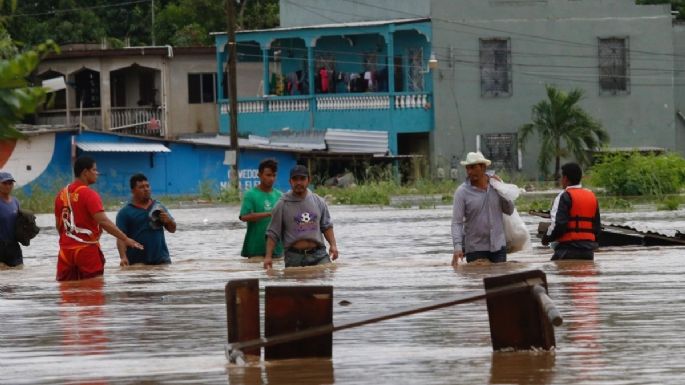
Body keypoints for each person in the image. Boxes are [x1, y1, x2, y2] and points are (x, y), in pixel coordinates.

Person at [54, 156, 143, 281]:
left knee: (67, 293)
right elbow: (104, 222)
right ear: (85, 172)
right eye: (95, 170)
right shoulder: (90, 194)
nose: (97, 173)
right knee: (93, 293)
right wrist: (125, 238)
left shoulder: (61, 195)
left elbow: (59, 226)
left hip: (65, 253)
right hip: (87, 251)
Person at [263, 164, 339, 269]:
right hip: (294, 257)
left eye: (302, 179)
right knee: (294, 283)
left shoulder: (318, 201)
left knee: (326, 280)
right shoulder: (282, 204)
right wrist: (268, 257)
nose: (299, 182)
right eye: (295, 179)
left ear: (309, 180)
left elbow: (326, 226)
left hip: (319, 254)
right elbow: (273, 233)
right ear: (290, 181)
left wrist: (333, 245)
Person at [451, 152, 515, 266]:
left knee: (499, 281)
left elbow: (509, 210)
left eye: (473, 167)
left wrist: (502, 189)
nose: (470, 172)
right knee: (476, 282)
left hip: (498, 247)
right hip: (475, 249)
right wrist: (457, 247)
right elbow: (457, 222)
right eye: (468, 168)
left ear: (483, 167)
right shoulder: (462, 192)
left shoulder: (496, 186)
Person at [542, 162, 601, 260]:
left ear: (565, 178)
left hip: (568, 249)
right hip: (588, 252)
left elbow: (558, 225)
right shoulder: (592, 196)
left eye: (561, 177)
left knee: (553, 271)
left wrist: (546, 238)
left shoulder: (563, 196)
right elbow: (597, 228)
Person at [116, 173, 176, 266]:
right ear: (133, 191)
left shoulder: (159, 207)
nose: (146, 189)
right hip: (137, 263)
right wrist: (123, 257)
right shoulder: (125, 212)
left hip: (161, 260)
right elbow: (120, 238)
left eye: (147, 186)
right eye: (141, 187)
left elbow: (173, 229)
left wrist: (169, 221)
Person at [239, 159, 283, 259]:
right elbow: (244, 217)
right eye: (268, 175)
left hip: (277, 249)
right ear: (259, 175)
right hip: (256, 250)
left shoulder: (280, 196)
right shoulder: (250, 195)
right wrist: (269, 214)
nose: (271, 178)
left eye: (274, 175)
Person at [0, 171, 22, 267]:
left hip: (14, 247)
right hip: (1, 247)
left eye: (10, 183)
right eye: (4, 183)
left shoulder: (16, 202)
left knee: (18, 275)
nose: (8, 186)